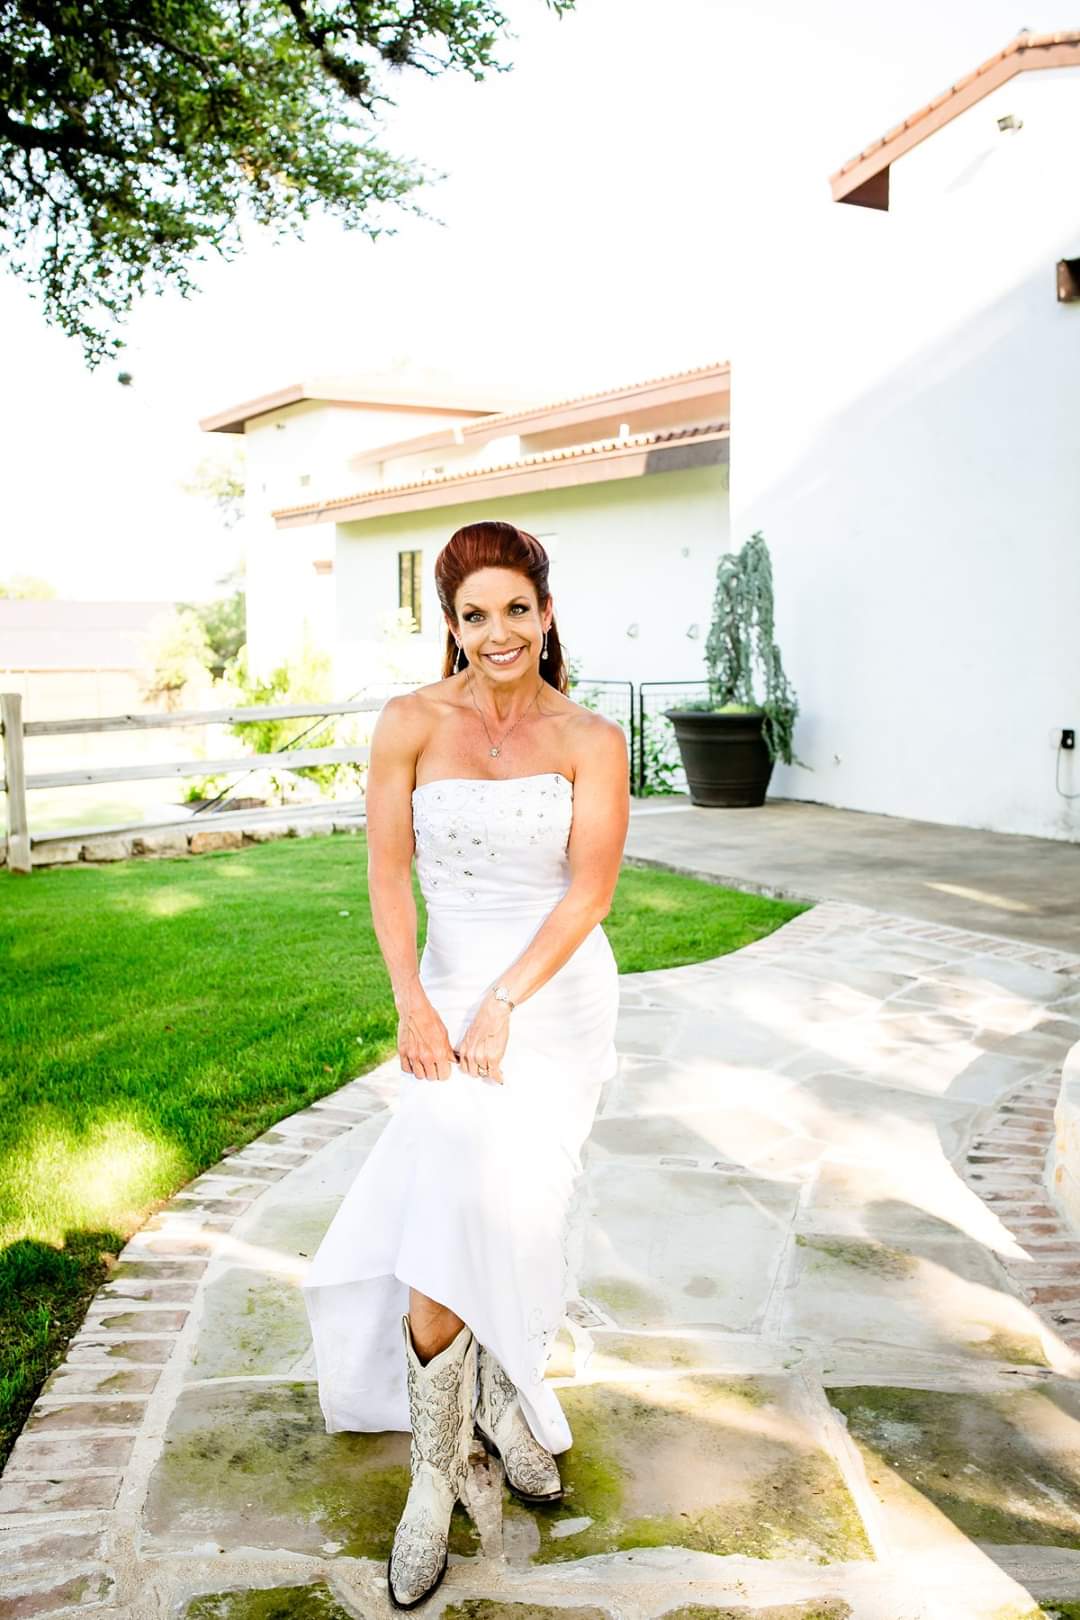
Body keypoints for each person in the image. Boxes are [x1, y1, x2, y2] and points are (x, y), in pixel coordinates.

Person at [302, 518, 628, 1610]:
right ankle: (433, 1477)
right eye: (474, 614)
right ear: (450, 624)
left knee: (519, 1209)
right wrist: (417, 1005)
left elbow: (588, 893)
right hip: (444, 990)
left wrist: (505, 1004)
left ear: (546, 612)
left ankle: (505, 1397)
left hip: (555, 995)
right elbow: (389, 878)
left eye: (517, 610)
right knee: (450, 1180)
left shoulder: (590, 736)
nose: (498, 633)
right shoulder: (409, 723)